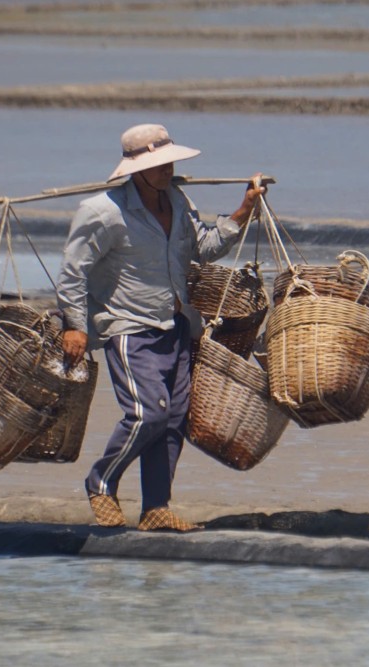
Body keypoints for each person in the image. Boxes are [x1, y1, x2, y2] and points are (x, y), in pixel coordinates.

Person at [56, 123, 265, 532]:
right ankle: (101, 481)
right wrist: (74, 326)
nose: (167, 169)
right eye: (158, 164)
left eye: (170, 161)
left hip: (176, 325)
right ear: (135, 169)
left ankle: (156, 507)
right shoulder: (102, 212)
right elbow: (71, 273)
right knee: (146, 414)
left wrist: (243, 212)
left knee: (172, 420)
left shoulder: (178, 201)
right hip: (129, 326)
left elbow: (202, 249)